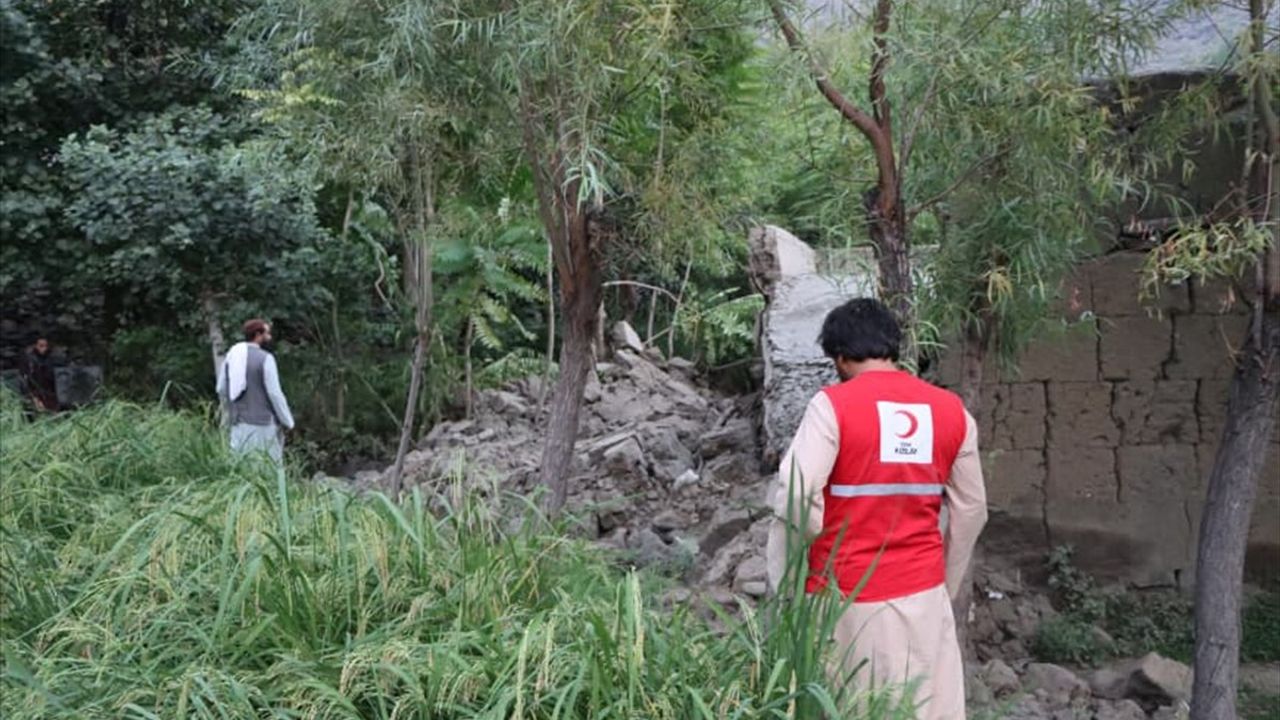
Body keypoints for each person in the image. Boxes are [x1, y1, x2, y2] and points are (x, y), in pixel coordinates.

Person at [765, 298, 987, 719]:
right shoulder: (951, 411)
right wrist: (944, 583)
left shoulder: (832, 406)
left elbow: (796, 491)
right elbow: (972, 509)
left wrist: (793, 579)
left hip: (845, 601)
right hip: (924, 598)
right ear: (892, 349)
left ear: (841, 358)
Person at [216, 319, 295, 466]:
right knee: (268, 469)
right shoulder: (266, 359)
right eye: (267, 334)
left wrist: (228, 414)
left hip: (238, 424)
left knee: (241, 468)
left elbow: (221, 388)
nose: (269, 337)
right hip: (263, 426)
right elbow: (274, 393)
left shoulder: (232, 356)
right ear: (258, 335)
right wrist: (288, 421)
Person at [19, 336, 59, 413]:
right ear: (35, 346)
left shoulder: (50, 357)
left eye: (46, 346)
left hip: (48, 392)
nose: (44, 349)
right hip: (34, 391)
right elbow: (25, 379)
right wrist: (34, 397)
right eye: (41, 346)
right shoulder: (29, 359)